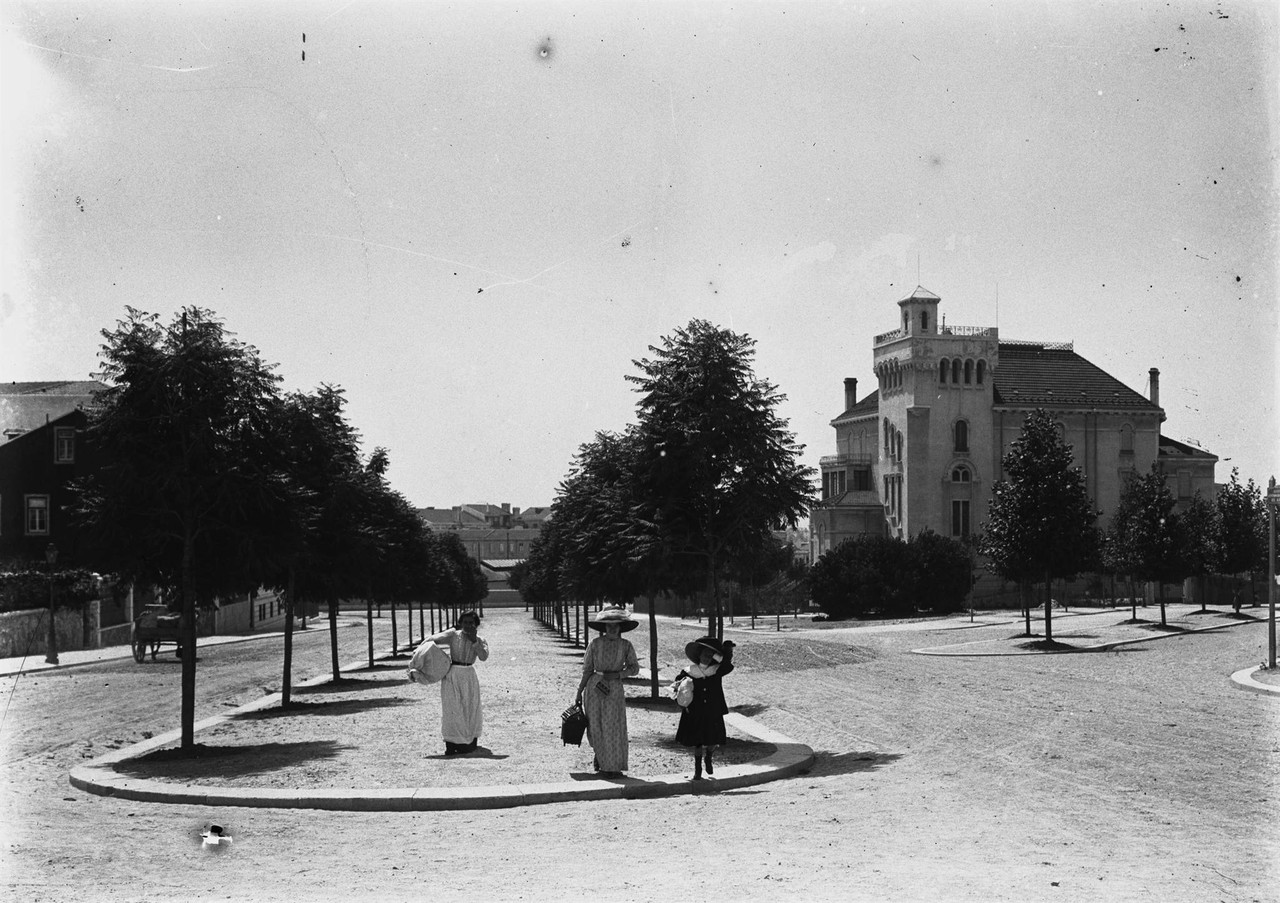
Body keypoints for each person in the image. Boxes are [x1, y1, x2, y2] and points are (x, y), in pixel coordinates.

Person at [576, 606, 640, 776]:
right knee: (595, 725)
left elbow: (634, 668)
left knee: (613, 727)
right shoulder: (595, 644)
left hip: (614, 690)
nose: (612, 629)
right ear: (604, 628)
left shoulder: (626, 645)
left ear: (620, 628)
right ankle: (600, 757)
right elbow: (587, 669)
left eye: (616, 625)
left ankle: (613, 766)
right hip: (594, 689)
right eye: (608, 626)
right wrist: (579, 691)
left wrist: (619, 674)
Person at [674, 636, 735, 781]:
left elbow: (728, 666)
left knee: (713, 739)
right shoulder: (689, 671)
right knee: (698, 741)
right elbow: (677, 686)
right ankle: (697, 770)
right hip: (695, 711)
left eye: (710, 655)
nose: (707, 657)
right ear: (698, 655)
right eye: (704, 654)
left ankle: (709, 756)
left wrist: (722, 653)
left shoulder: (717, 670)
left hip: (712, 710)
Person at [428, 611, 489, 755]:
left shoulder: (480, 640)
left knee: (469, 707)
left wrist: (475, 641)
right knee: (452, 708)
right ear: (461, 623)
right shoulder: (453, 636)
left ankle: (469, 741)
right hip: (453, 673)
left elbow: (483, 656)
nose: (468, 625)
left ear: (476, 624)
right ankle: (451, 743)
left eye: (471, 623)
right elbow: (432, 639)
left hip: (468, 675)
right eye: (465, 622)